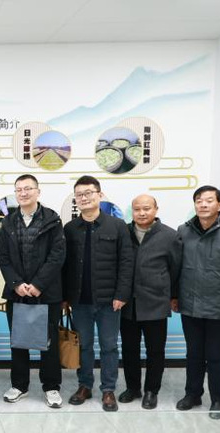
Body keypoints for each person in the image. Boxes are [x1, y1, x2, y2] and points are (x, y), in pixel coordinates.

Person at [62, 175, 133, 412]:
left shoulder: (117, 226)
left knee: (109, 346)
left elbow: (126, 262)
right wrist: (65, 297)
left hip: (109, 301)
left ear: (99, 195)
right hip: (79, 300)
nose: (84, 198)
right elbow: (64, 265)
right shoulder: (70, 228)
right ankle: (84, 385)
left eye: (88, 193)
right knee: (83, 346)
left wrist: (121, 294)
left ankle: (108, 389)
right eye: (79, 195)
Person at [0, 175, 66, 408]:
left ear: (38, 191)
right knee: (18, 341)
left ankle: (51, 386)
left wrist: (38, 284)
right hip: (17, 292)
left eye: (28, 188)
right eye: (19, 190)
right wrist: (16, 284)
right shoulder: (8, 222)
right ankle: (19, 385)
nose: (23, 193)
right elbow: (3, 257)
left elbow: (57, 255)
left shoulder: (52, 220)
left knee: (49, 341)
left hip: (46, 293)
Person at [175, 185, 220, 420]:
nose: (203, 204)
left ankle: (219, 399)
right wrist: (174, 296)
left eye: (209, 200)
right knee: (193, 354)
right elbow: (176, 267)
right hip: (190, 304)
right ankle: (193, 394)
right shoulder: (184, 230)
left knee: (216, 356)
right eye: (199, 200)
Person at [117, 194, 181, 410]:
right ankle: (133, 388)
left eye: (146, 208)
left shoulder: (170, 236)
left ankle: (152, 391)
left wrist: (172, 295)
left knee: (155, 351)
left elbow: (176, 269)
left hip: (156, 302)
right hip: (128, 303)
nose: (142, 213)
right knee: (129, 349)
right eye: (137, 209)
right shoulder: (123, 232)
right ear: (132, 211)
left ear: (156, 209)